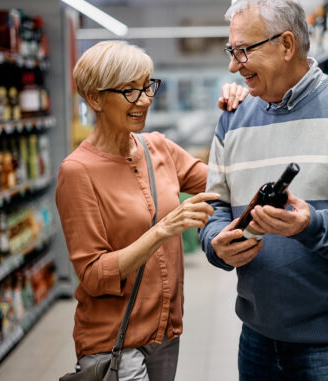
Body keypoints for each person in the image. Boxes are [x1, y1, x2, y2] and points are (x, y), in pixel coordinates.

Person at [199, 1, 328, 380]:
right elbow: (214, 207)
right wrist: (216, 242)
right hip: (256, 337)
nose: (234, 65)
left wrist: (311, 225)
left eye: (244, 50)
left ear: (286, 44)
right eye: (232, 52)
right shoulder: (232, 119)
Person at [55, 40, 246, 381]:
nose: (144, 99)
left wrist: (241, 112)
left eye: (147, 86)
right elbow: (94, 276)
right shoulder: (77, 171)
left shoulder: (157, 147)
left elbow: (228, 183)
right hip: (115, 341)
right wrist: (162, 229)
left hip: (165, 331)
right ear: (95, 98)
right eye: (130, 90)